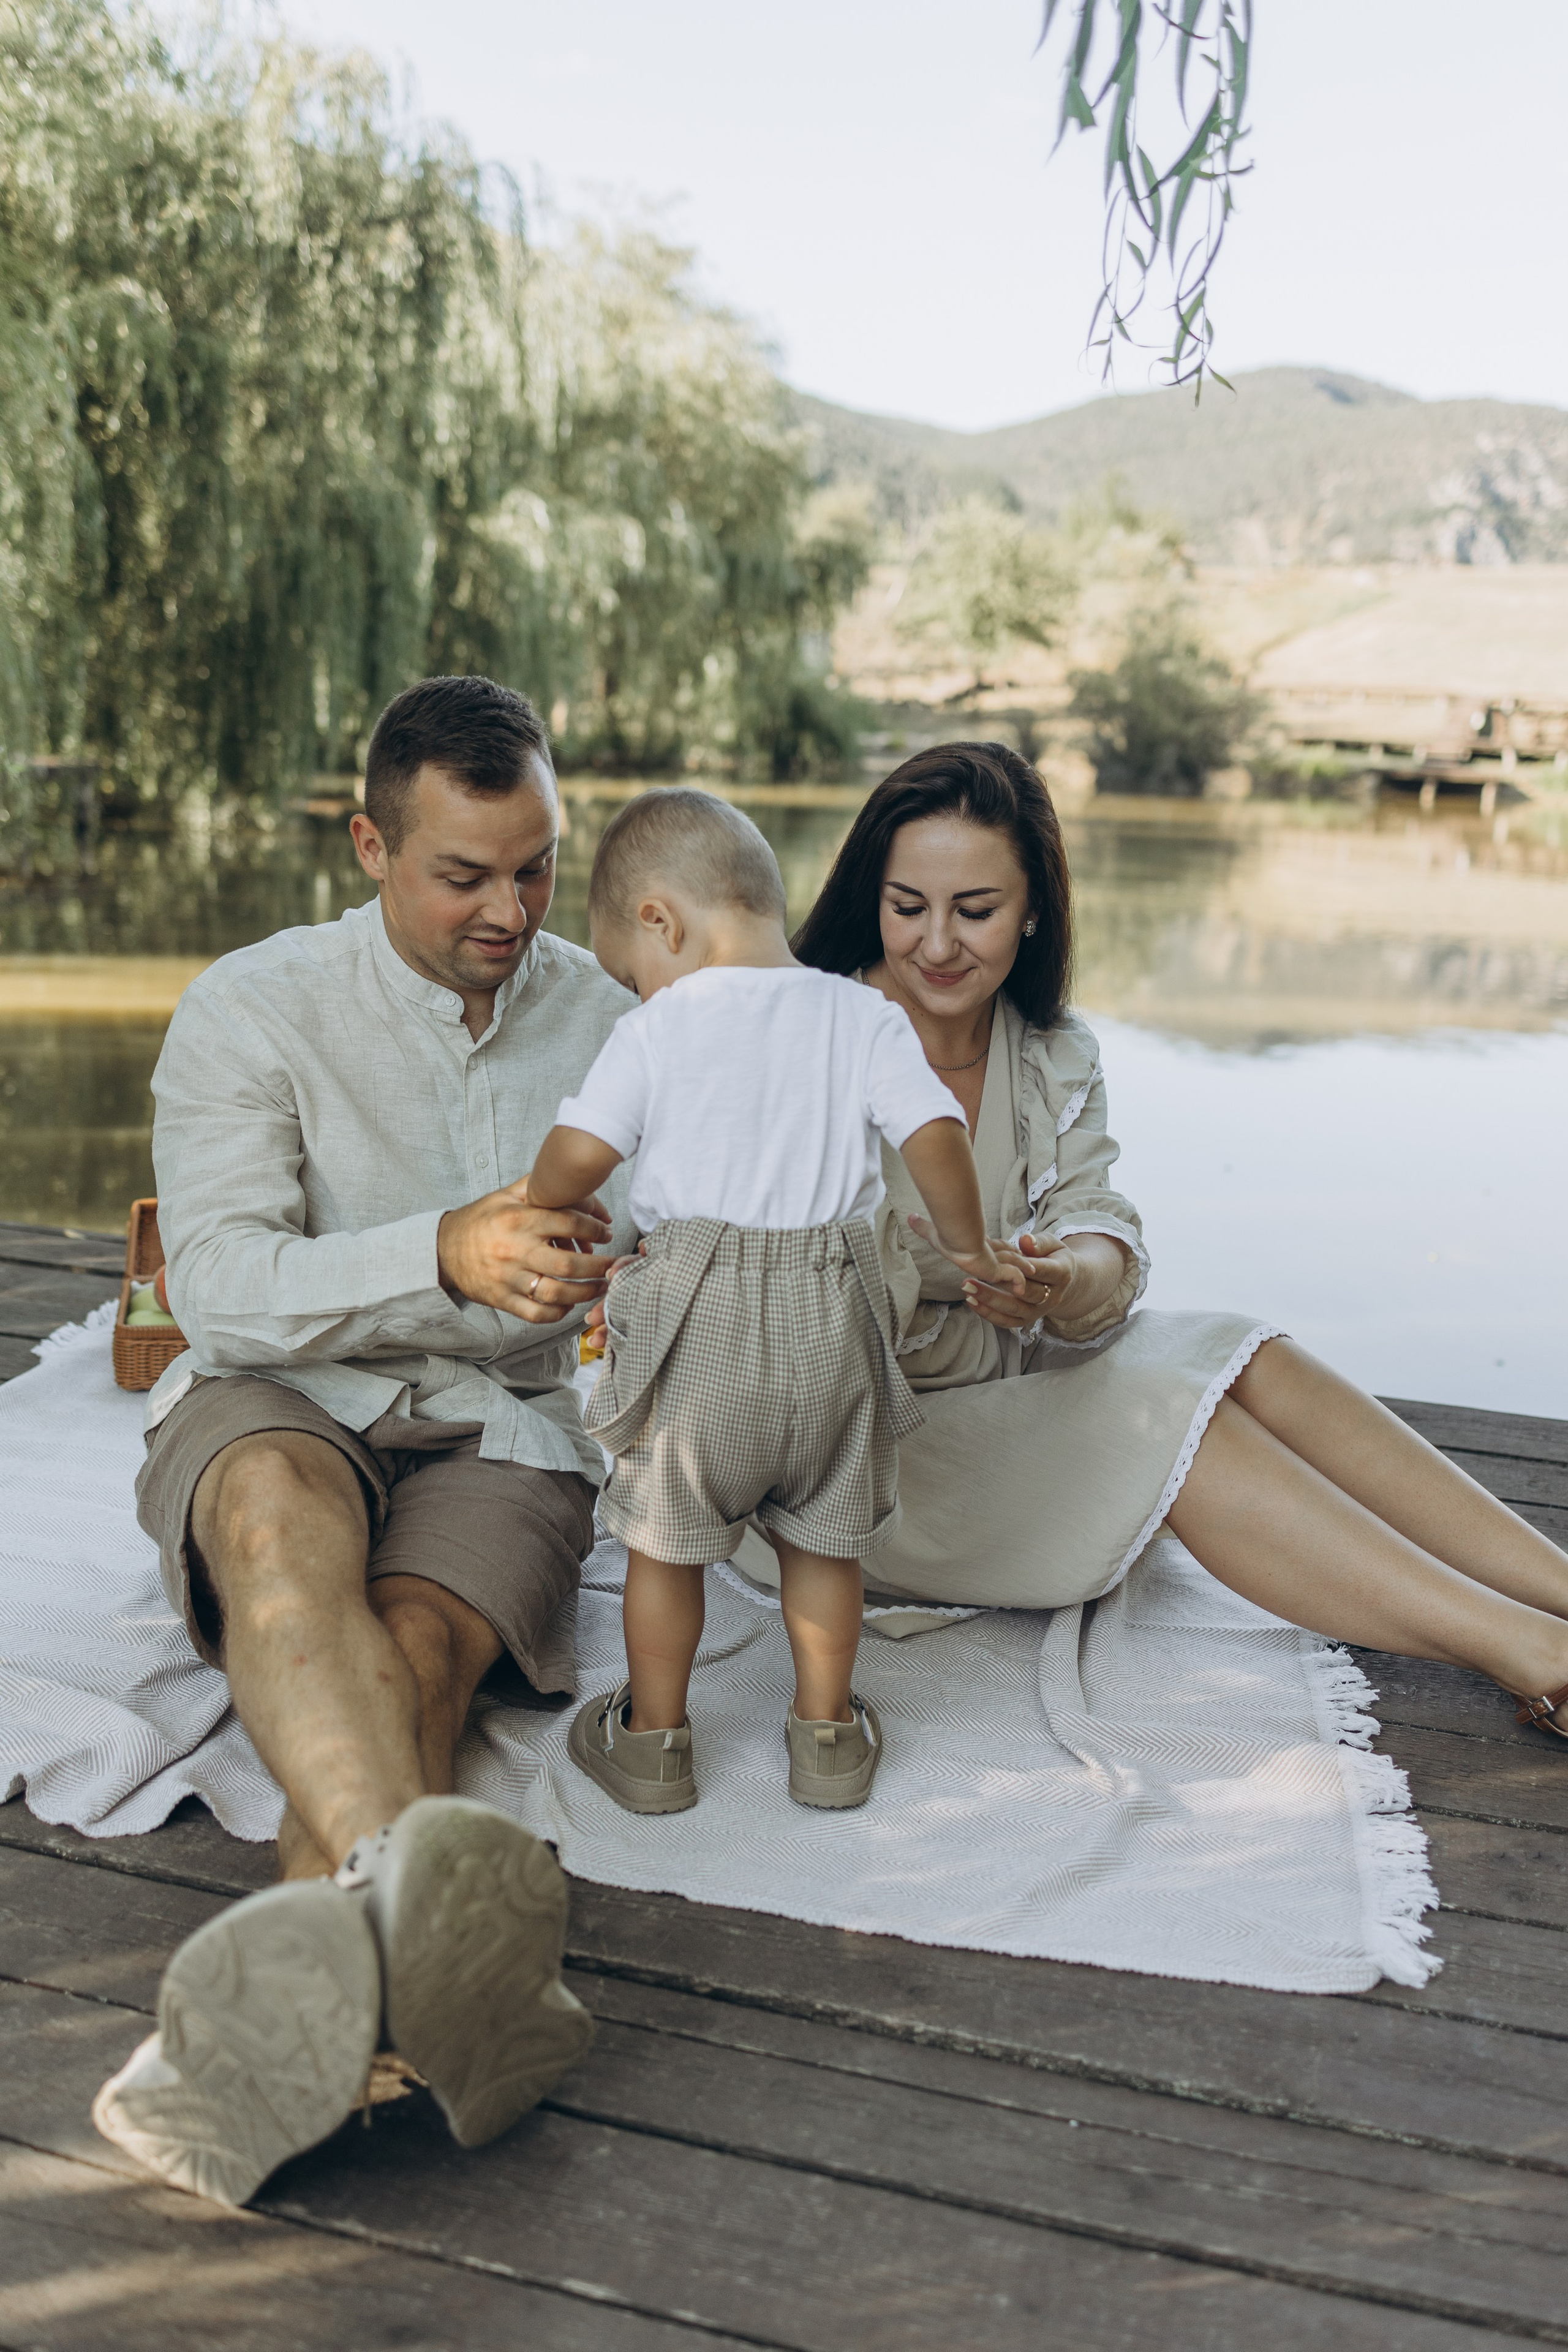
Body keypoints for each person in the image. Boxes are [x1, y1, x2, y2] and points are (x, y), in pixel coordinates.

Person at [94, 675, 637, 2209]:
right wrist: (443, 1251)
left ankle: (299, 2027)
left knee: (412, 1652)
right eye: (464, 874)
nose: (510, 910)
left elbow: (687, 1248)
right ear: (369, 845)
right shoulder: (250, 1005)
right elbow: (218, 1288)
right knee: (270, 1526)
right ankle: (433, 1957)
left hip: (504, 1423)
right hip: (277, 1393)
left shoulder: (616, 1023)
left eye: (535, 867)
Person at [785, 739, 1568, 1731]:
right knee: (1168, 1417)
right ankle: (1539, 1655)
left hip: (1004, 1384)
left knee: (1248, 1353)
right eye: (908, 907)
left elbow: (1094, 1220)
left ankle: (1558, 1591)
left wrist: (1061, 1279)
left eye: (974, 911)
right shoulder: (811, 1038)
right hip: (866, 1456)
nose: (937, 944)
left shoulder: (1051, 1052)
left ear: (1033, 911)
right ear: (874, 899)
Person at [527, 788, 1015, 1814]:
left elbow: (578, 1155)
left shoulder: (659, 1027)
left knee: (666, 1545)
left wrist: (550, 1195)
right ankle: (827, 1739)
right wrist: (970, 1248)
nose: (636, 991)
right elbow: (935, 1135)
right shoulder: (863, 1015)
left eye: (631, 971)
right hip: (834, 1320)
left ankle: (653, 1744)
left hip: (697, 1334)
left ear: (661, 922)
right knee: (825, 1540)